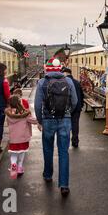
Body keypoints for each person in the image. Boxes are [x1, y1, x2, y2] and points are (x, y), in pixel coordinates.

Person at [34, 58, 78, 197]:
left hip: (48, 120)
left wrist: (40, 121)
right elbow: (75, 101)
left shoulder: (42, 82)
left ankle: (48, 174)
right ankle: (64, 185)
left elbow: (37, 105)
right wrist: (67, 114)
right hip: (65, 121)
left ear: (47, 69)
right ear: (60, 68)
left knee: (48, 148)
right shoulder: (69, 81)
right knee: (63, 152)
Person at [5, 95, 40, 179]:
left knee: (14, 154)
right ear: (19, 103)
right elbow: (32, 120)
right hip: (23, 139)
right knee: (21, 152)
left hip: (13, 139)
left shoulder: (9, 114)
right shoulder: (25, 112)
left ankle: (13, 165)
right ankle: (20, 168)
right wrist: (39, 121)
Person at [62, 67, 84, 148]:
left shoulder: (63, 82)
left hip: (66, 108)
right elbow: (82, 95)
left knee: (66, 125)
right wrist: (81, 105)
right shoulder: (77, 82)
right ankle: (75, 141)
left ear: (65, 73)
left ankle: (66, 142)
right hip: (77, 108)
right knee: (75, 125)